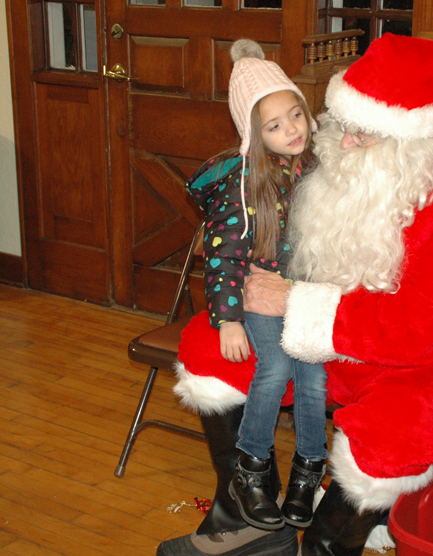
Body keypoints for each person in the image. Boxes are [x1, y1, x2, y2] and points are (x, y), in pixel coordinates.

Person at [162, 33, 433, 556]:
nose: (341, 143)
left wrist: (295, 304)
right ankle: (250, 519)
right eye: (341, 124)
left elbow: (423, 323)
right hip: (329, 335)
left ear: (410, 139)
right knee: (210, 348)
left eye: (361, 135)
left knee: (394, 432)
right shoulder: (349, 153)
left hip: (424, 352)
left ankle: (325, 544)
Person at [184, 38, 328, 533]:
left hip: (310, 296)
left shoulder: (317, 165)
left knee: (314, 378)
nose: (291, 130)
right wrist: (227, 319)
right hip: (262, 290)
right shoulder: (244, 184)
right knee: (276, 367)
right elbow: (224, 254)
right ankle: (251, 467)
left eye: (296, 115)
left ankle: (309, 469)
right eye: (274, 125)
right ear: (254, 133)